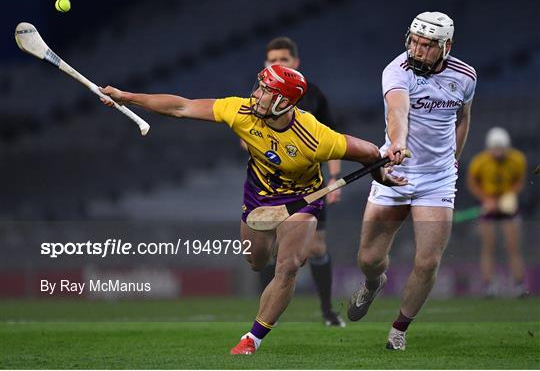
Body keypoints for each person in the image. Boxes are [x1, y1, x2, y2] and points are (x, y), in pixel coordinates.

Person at [100, 64, 407, 355]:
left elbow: (370, 153)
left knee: (288, 265)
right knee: (256, 261)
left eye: (265, 91)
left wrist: (384, 173)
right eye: (259, 87)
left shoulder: (315, 138)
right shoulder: (241, 111)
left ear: (283, 101)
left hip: (303, 199)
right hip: (259, 198)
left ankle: (252, 339)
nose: (255, 95)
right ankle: (269, 268)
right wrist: (127, 97)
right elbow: (181, 106)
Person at [346, 11, 476, 350]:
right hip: (395, 172)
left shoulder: (465, 76)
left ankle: (399, 330)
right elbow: (397, 112)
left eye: (427, 45)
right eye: (414, 42)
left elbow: (463, 117)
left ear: (446, 46)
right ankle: (373, 284)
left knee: (428, 260)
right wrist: (399, 143)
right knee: (369, 259)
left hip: (438, 179)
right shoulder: (396, 70)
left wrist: (454, 159)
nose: (417, 50)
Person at [255, 36, 345, 327]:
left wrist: (333, 177)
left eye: (283, 59)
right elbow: (245, 136)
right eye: (272, 60)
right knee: (267, 248)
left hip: (310, 184)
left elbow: (334, 140)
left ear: (296, 63)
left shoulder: (314, 95)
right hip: (268, 184)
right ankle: (266, 313)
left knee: (317, 247)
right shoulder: (259, 94)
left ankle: (328, 311)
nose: (277, 64)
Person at [467, 127, 527, 297]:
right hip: (488, 205)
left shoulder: (517, 159)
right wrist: (487, 199)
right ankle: (489, 286)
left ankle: (519, 285)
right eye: (495, 148)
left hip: (508, 204)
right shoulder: (480, 162)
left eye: (501, 148)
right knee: (488, 246)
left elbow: (519, 181)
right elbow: (472, 183)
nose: (498, 152)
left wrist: (508, 197)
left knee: (513, 246)